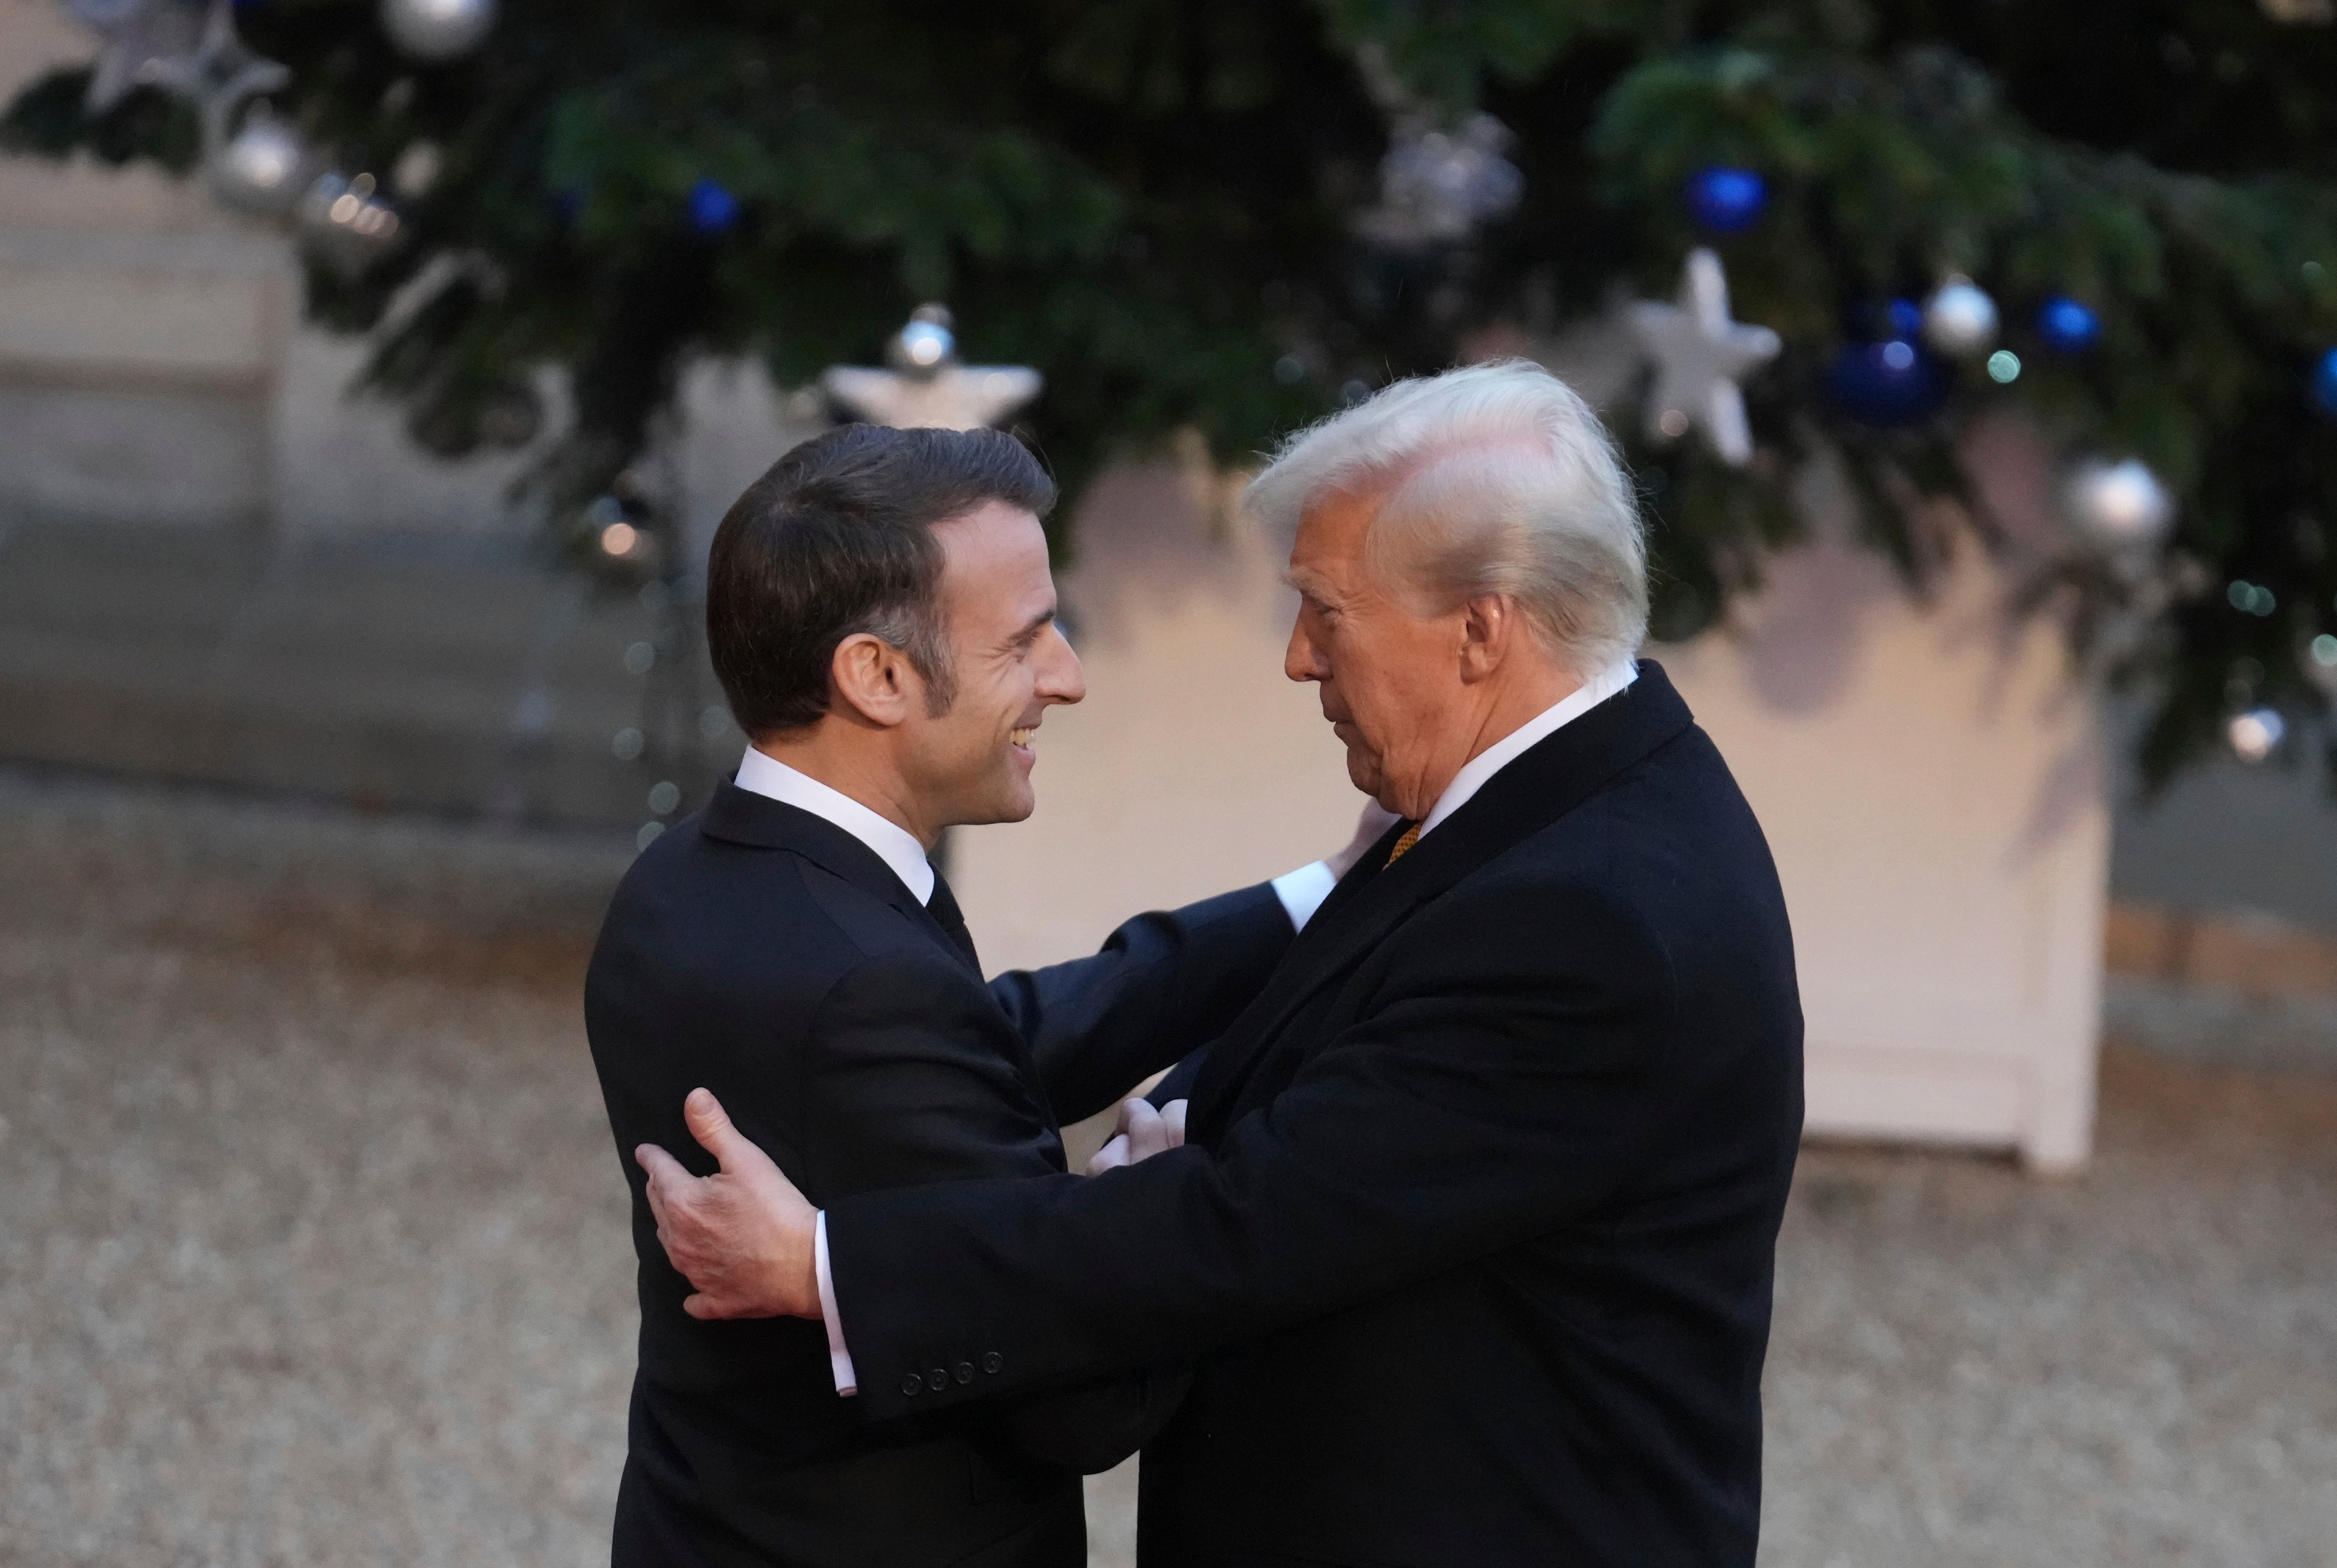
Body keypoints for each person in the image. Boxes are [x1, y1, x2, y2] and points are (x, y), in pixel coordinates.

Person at [639, 361, 1807, 1567]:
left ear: (1480, 630)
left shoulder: (1594, 914)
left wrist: (832, 1268)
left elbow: (1248, 1224)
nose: (1301, 660)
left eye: (1328, 611)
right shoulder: (1538, 813)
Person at [586, 424, 1369, 1568]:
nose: (1068, 674)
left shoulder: (687, 882)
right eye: (1024, 639)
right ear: (879, 676)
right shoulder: (868, 987)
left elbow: (990, 1050)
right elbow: (1082, 1405)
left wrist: (1319, 895)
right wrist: (1138, 1198)